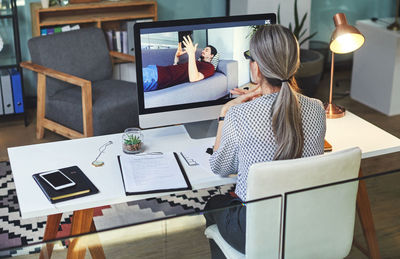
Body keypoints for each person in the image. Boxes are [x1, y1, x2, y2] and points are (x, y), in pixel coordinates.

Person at [203, 24, 326, 258]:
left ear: (256, 68)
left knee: (214, 204)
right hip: (304, 222)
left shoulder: (239, 115)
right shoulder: (317, 109)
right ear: (294, 65)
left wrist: (225, 112)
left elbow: (220, 167)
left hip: (256, 231)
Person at [142, 36, 218, 92]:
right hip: (156, 69)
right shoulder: (197, 62)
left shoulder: (210, 67)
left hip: (157, 77)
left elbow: (194, 78)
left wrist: (191, 54)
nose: (203, 51)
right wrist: (176, 58)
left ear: (211, 56)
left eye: (206, 50)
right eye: (204, 49)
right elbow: (176, 70)